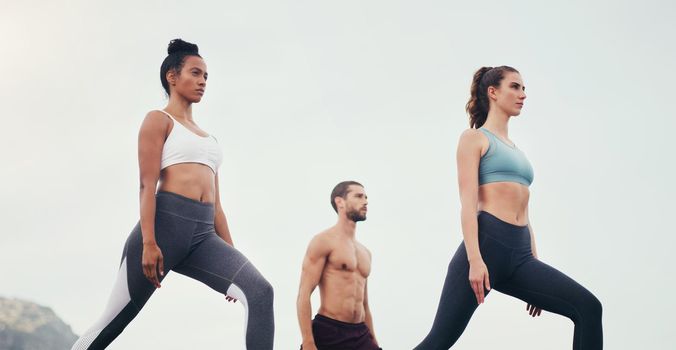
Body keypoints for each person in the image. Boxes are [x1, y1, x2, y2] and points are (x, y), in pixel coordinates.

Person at [70, 39, 274, 350]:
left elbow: (217, 206)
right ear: (172, 76)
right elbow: (146, 185)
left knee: (260, 292)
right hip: (164, 229)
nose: (203, 81)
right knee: (113, 323)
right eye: (196, 73)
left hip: (204, 235)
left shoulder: (210, 140)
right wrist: (150, 243)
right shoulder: (158, 120)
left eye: (206, 76)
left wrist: (232, 255)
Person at [414, 66, 603, 349]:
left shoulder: (516, 149)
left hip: (521, 255)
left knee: (588, 307)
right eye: (515, 87)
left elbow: (525, 213)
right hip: (487, 246)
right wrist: (475, 261)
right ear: (493, 92)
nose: (522, 94)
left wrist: (535, 261)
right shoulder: (474, 138)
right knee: (438, 341)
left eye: (524, 88)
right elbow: (467, 205)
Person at [296, 181, 381, 350]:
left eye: (366, 197)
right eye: (358, 196)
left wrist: (374, 342)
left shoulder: (365, 253)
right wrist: (308, 342)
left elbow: (364, 304)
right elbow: (303, 295)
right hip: (330, 331)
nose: (365, 201)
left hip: (361, 334)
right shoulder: (323, 241)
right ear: (339, 202)